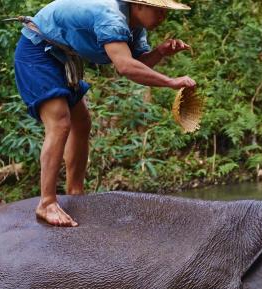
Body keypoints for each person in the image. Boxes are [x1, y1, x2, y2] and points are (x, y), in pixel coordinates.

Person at [14, 0, 197, 227]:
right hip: (39, 51)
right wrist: (171, 82)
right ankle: (47, 202)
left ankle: (75, 191)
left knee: (82, 122)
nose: (162, 18)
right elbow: (125, 67)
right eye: (158, 11)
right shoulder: (111, 16)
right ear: (138, 5)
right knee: (60, 123)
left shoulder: (135, 27)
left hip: (62, 58)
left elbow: (136, 62)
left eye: (165, 13)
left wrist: (160, 51)